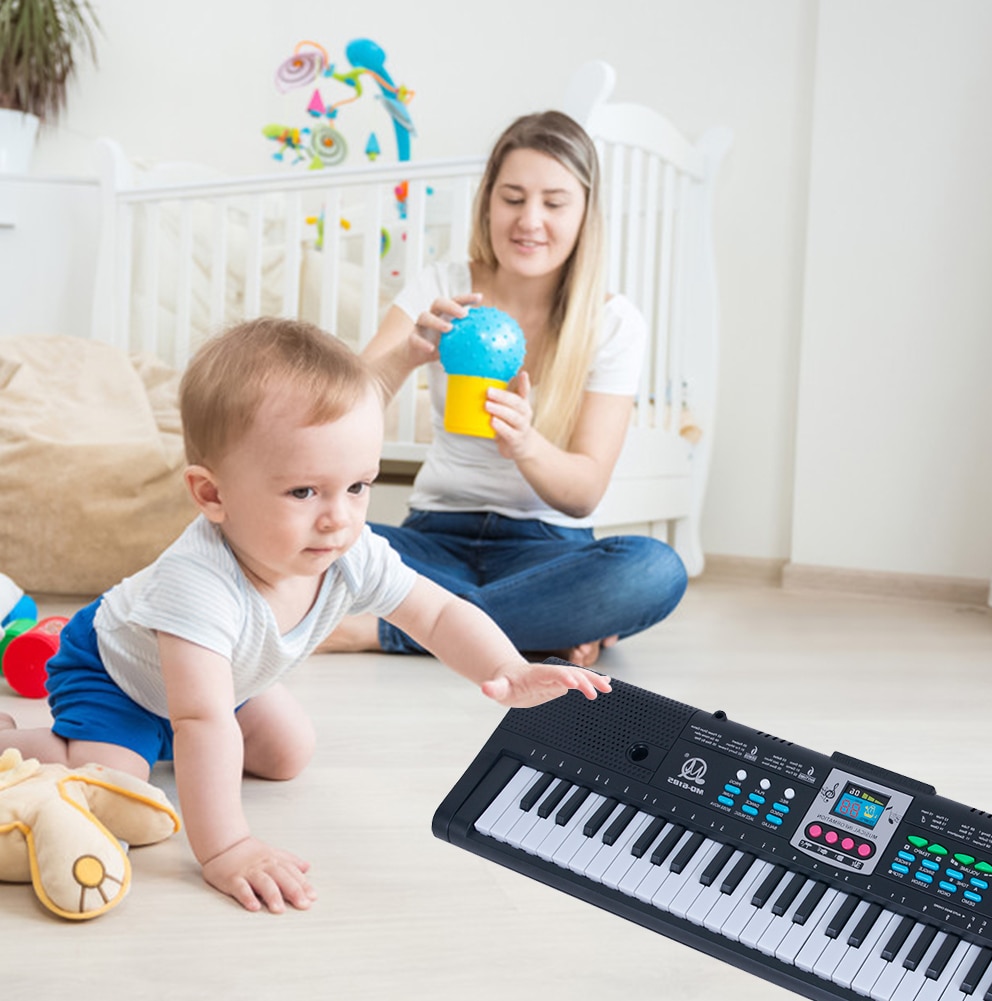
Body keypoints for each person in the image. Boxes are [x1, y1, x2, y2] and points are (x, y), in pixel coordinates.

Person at [0, 317, 610, 915]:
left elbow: (439, 612)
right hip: (118, 676)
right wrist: (228, 848)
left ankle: (158, 745)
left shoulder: (349, 550)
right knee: (118, 788)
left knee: (288, 752)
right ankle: (20, 740)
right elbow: (202, 720)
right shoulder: (197, 585)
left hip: (221, 683)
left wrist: (507, 665)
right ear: (213, 495)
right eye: (303, 492)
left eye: (357, 486)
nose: (338, 518)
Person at [322, 111, 688, 666]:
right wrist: (408, 352)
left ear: (585, 211)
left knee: (654, 570)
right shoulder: (442, 284)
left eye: (554, 202)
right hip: (432, 540)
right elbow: (342, 414)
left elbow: (584, 491)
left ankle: (382, 629)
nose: (530, 220)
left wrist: (527, 445)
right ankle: (534, 625)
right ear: (488, 202)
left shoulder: (614, 323)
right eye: (513, 198)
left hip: (546, 550)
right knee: (290, 532)